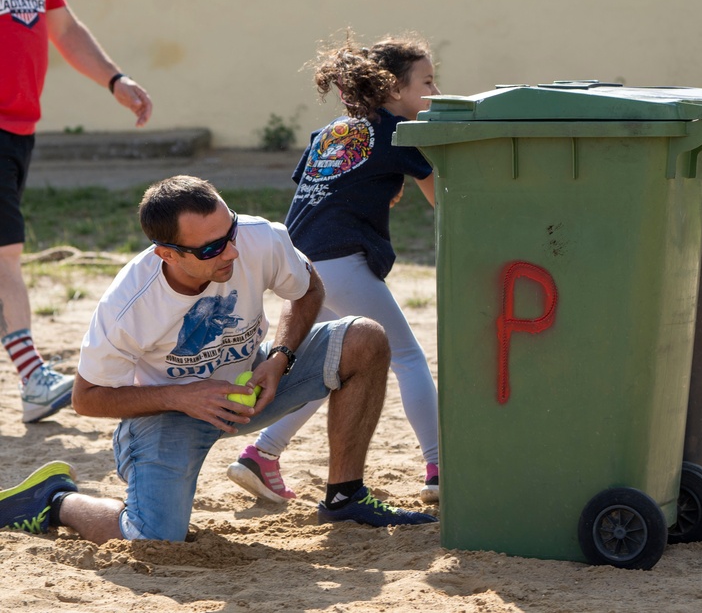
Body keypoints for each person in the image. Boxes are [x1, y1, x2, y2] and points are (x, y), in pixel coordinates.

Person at [0, 175, 436, 542]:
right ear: (167, 253)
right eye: (210, 249)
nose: (230, 251)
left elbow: (308, 290)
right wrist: (183, 397)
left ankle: (345, 498)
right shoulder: (129, 305)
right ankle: (57, 501)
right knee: (154, 538)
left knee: (364, 338)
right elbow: (86, 398)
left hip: (252, 383)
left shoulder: (258, 237)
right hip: (165, 412)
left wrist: (280, 357)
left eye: (229, 234)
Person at [226, 31, 443, 506]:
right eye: (427, 82)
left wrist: (380, 187)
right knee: (406, 356)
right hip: (340, 262)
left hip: (301, 265)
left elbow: (321, 184)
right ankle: (439, 466)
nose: (436, 93)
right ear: (394, 90)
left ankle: (262, 455)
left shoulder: (332, 130)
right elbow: (444, 203)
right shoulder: (398, 131)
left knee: (331, 366)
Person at [1, 0, 153, 423]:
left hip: (18, 128)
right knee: (4, 252)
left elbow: (63, 29)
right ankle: (33, 378)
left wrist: (115, 80)